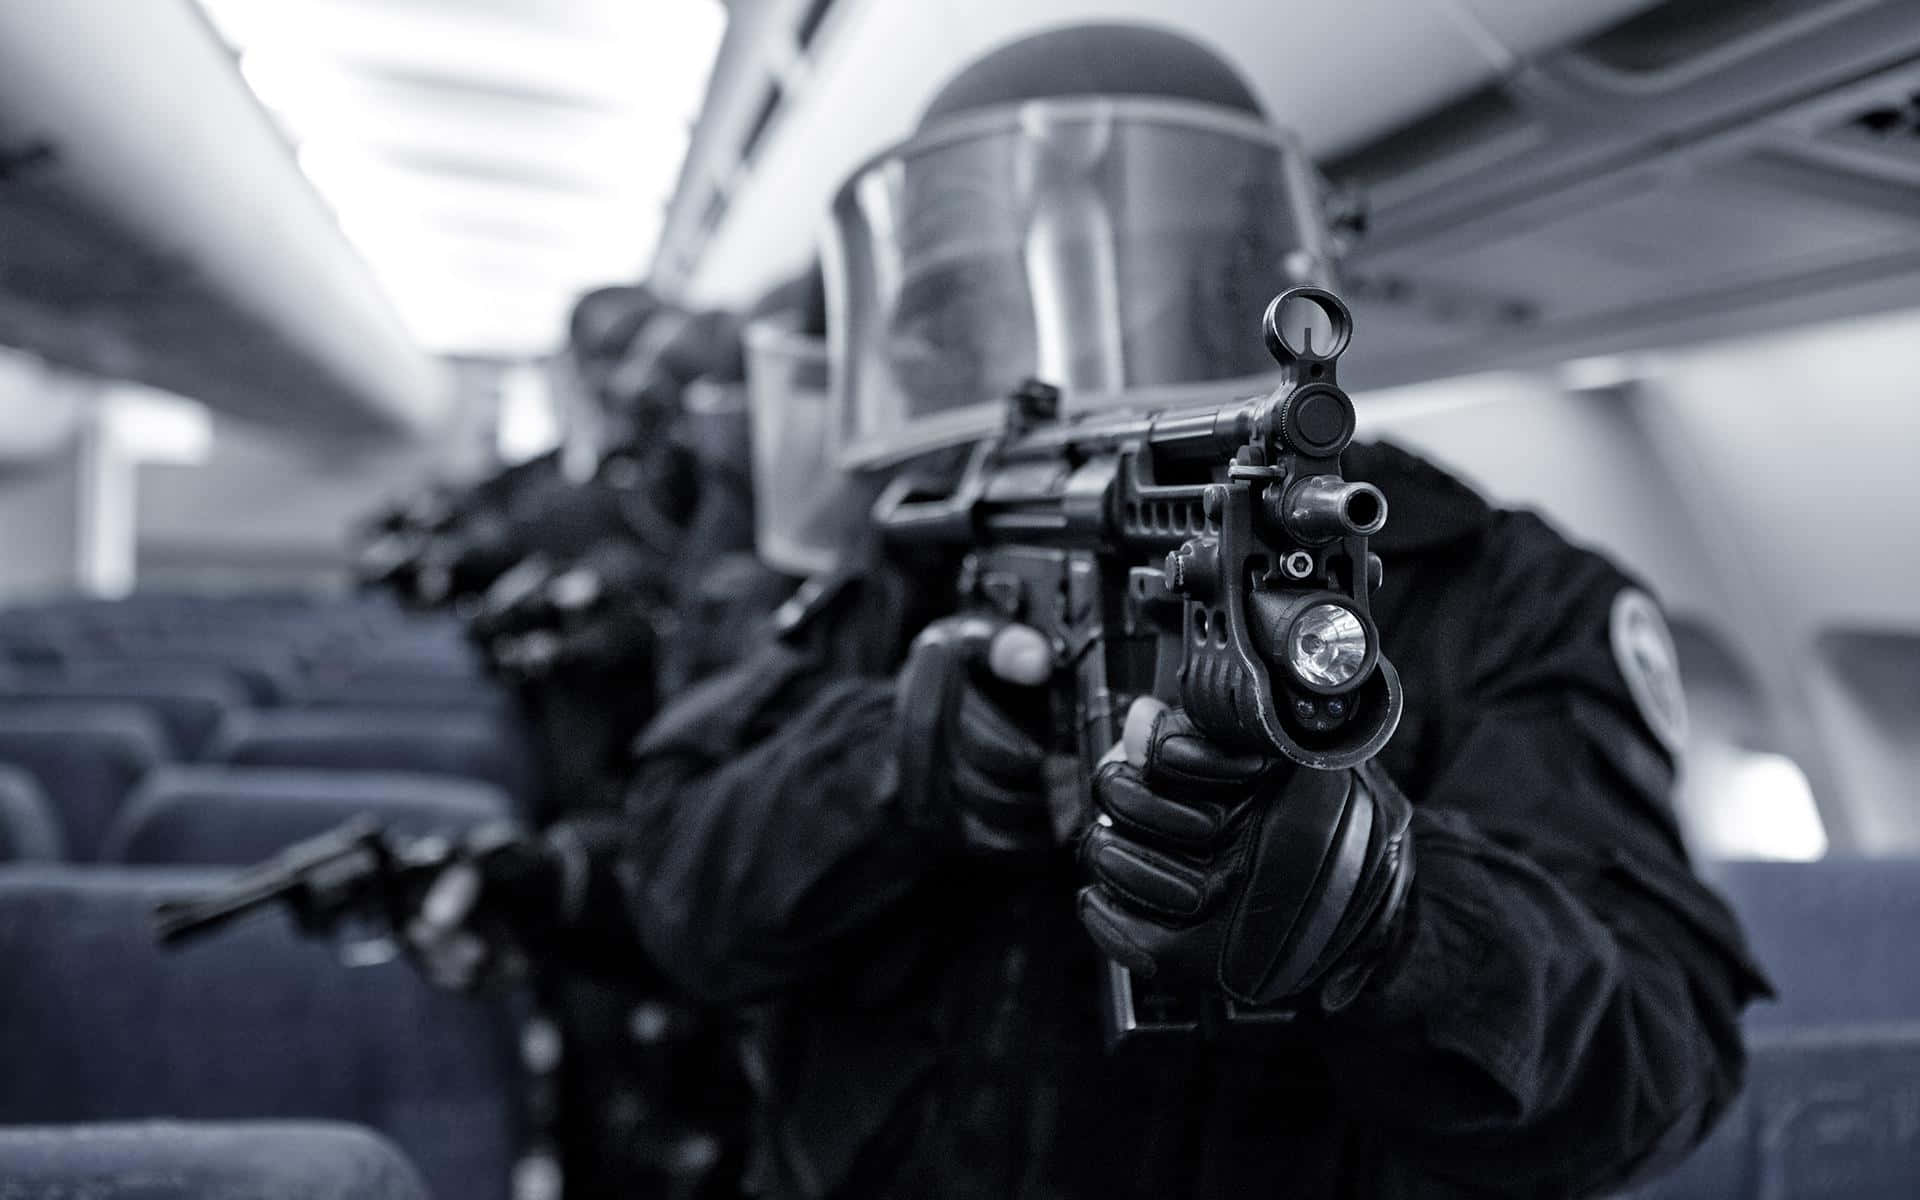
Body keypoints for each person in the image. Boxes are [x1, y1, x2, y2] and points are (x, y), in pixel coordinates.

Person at [587, 23, 1772, 1199]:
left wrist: (1393, 918)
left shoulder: (1489, 592)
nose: (1015, 362)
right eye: (963, 311)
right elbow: (675, 888)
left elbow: (1656, 1063)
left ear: (1240, 275)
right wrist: (879, 774)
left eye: (1108, 280)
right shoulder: (918, 550)